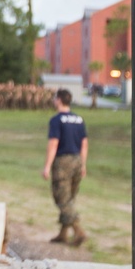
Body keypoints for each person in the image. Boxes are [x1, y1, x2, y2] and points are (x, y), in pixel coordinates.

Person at [43, 88, 89, 247]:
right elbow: (84, 144)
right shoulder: (79, 119)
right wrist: (83, 164)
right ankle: (63, 234)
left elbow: (53, 144)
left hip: (63, 162)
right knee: (69, 198)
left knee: (62, 198)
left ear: (59, 100)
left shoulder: (56, 120)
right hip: (77, 160)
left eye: (55, 98)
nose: (54, 100)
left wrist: (47, 167)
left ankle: (78, 231)